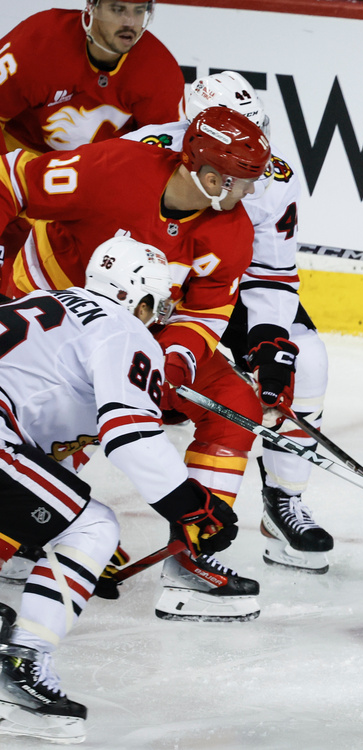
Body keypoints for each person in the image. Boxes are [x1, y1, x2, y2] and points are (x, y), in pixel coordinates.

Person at [0, 106, 271, 621]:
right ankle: (32, 529)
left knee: (233, 397)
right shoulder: (115, 169)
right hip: (46, 306)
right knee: (52, 413)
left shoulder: (232, 230)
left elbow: (208, 310)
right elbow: (12, 176)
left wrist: (176, 358)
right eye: (243, 182)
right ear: (211, 178)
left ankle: (192, 553)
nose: (250, 194)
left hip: (136, 328)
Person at [0, 237, 238, 743]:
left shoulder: (42, 302)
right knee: (92, 527)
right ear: (142, 300)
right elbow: (129, 435)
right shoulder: (124, 328)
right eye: (158, 306)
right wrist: (192, 507)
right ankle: (18, 671)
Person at [124, 71, 334, 574]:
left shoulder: (271, 175)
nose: (251, 167)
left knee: (307, 360)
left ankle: (284, 501)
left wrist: (267, 340)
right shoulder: (144, 151)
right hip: (157, 281)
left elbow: (272, 271)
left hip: (223, 280)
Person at [0, 1, 183, 156]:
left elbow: (164, 154)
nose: (130, 22)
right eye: (118, 9)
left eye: (139, 10)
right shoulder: (39, 42)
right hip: (19, 157)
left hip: (96, 172)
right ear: (92, 6)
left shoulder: (159, 71)